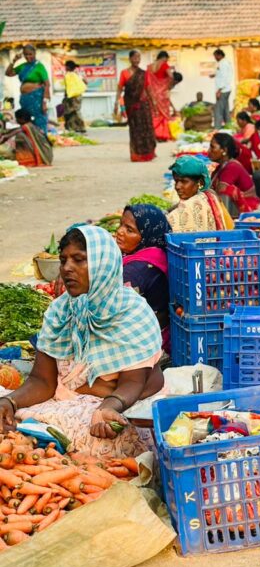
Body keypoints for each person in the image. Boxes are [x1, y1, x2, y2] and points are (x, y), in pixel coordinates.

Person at [0, 226, 162, 458]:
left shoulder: (132, 312)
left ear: (103, 264)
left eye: (79, 260)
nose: (67, 268)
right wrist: (10, 402)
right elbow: (42, 381)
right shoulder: (61, 311)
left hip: (121, 406)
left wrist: (108, 407)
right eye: (64, 260)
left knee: (97, 439)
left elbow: (133, 383)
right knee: (11, 425)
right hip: (69, 400)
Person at [116, 204, 171, 353]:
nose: (120, 232)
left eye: (129, 230)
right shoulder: (157, 252)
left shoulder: (135, 271)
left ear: (146, 235)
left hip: (146, 345)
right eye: (121, 224)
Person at [168, 155, 233, 233]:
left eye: (184, 181)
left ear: (200, 182)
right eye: (176, 181)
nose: (177, 186)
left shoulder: (193, 204)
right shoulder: (209, 195)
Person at [208, 131, 260, 218]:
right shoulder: (221, 167)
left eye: (212, 147)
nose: (208, 151)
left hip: (246, 210)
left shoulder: (232, 167)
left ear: (224, 150)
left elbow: (220, 194)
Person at [115, 50, 155, 162]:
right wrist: (117, 103)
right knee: (134, 130)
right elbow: (119, 89)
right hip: (131, 105)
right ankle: (136, 155)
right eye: (135, 57)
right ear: (130, 59)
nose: (137, 60)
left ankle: (148, 154)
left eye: (139, 57)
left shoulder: (143, 73)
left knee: (146, 130)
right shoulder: (124, 73)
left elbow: (148, 89)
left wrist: (154, 104)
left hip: (143, 105)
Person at [5, 44, 51, 132]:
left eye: (30, 54)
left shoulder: (39, 67)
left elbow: (47, 85)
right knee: (26, 119)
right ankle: (30, 140)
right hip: (25, 98)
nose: (28, 56)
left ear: (35, 53)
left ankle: (41, 141)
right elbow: (8, 73)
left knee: (39, 119)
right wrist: (13, 61)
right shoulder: (23, 66)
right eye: (26, 54)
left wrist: (44, 102)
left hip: (37, 98)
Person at [145, 51, 174, 142]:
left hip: (152, 94)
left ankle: (153, 135)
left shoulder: (149, 67)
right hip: (162, 94)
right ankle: (162, 135)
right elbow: (171, 76)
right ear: (164, 57)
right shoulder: (164, 65)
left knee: (154, 114)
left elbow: (147, 81)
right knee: (163, 115)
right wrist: (169, 87)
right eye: (167, 59)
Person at [62, 60, 87, 133]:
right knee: (75, 111)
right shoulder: (77, 74)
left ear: (68, 67)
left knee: (71, 112)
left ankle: (78, 127)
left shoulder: (68, 75)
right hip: (78, 95)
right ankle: (76, 127)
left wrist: (66, 96)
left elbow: (68, 87)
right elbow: (86, 82)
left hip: (71, 96)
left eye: (65, 66)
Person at [212, 48, 233, 127]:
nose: (215, 58)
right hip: (226, 89)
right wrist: (215, 75)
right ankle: (228, 125)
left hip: (223, 90)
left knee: (218, 110)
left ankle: (217, 127)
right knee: (225, 109)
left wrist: (219, 90)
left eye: (215, 56)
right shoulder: (226, 62)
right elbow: (224, 75)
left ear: (219, 55)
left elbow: (224, 77)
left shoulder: (222, 63)